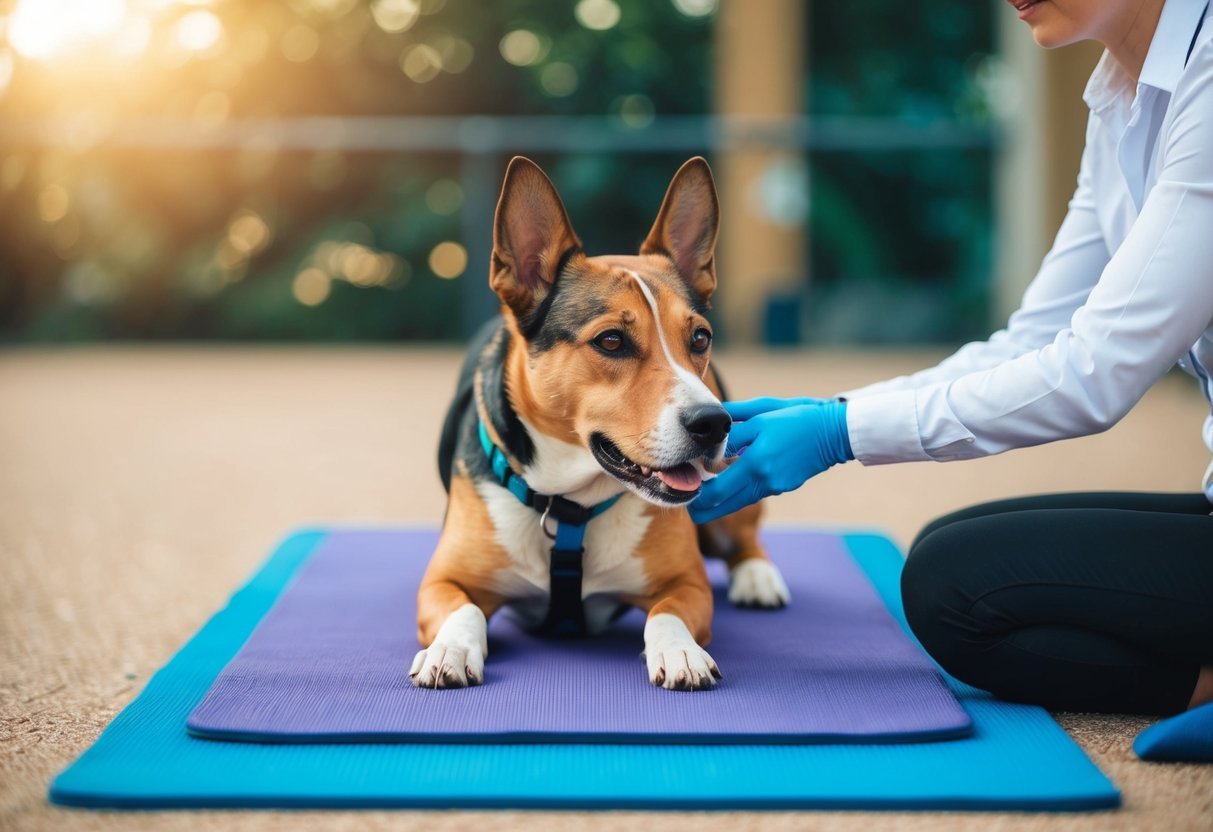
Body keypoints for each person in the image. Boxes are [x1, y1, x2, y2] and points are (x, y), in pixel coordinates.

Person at [690, 0, 1213, 717]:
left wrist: (840, 438)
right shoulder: (1117, 96)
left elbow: (1098, 370)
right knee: (947, 542)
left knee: (955, 590)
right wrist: (836, 411)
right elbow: (1034, 339)